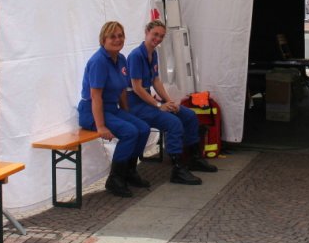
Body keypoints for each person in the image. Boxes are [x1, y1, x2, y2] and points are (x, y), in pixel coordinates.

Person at [127, 20, 217, 184]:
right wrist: (159, 106)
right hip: (137, 106)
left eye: (161, 36)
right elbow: (137, 88)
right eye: (155, 34)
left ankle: (194, 158)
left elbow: (156, 81)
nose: (158, 39)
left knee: (188, 115)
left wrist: (170, 102)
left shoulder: (152, 53)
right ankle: (177, 169)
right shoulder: (136, 55)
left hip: (148, 102)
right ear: (147, 31)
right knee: (174, 123)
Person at [77, 21, 151, 198]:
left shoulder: (121, 59)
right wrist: (101, 126)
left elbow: (122, 91)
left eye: (120, 36)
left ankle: (130, 172)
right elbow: (95, 97)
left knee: (143, 128)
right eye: (112, 36)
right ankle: (115, 179)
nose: (117, 39)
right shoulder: (98, 62)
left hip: (111, 108)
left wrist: (127, 112)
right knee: (130, 132)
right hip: (92, 111)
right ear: (103, 39)